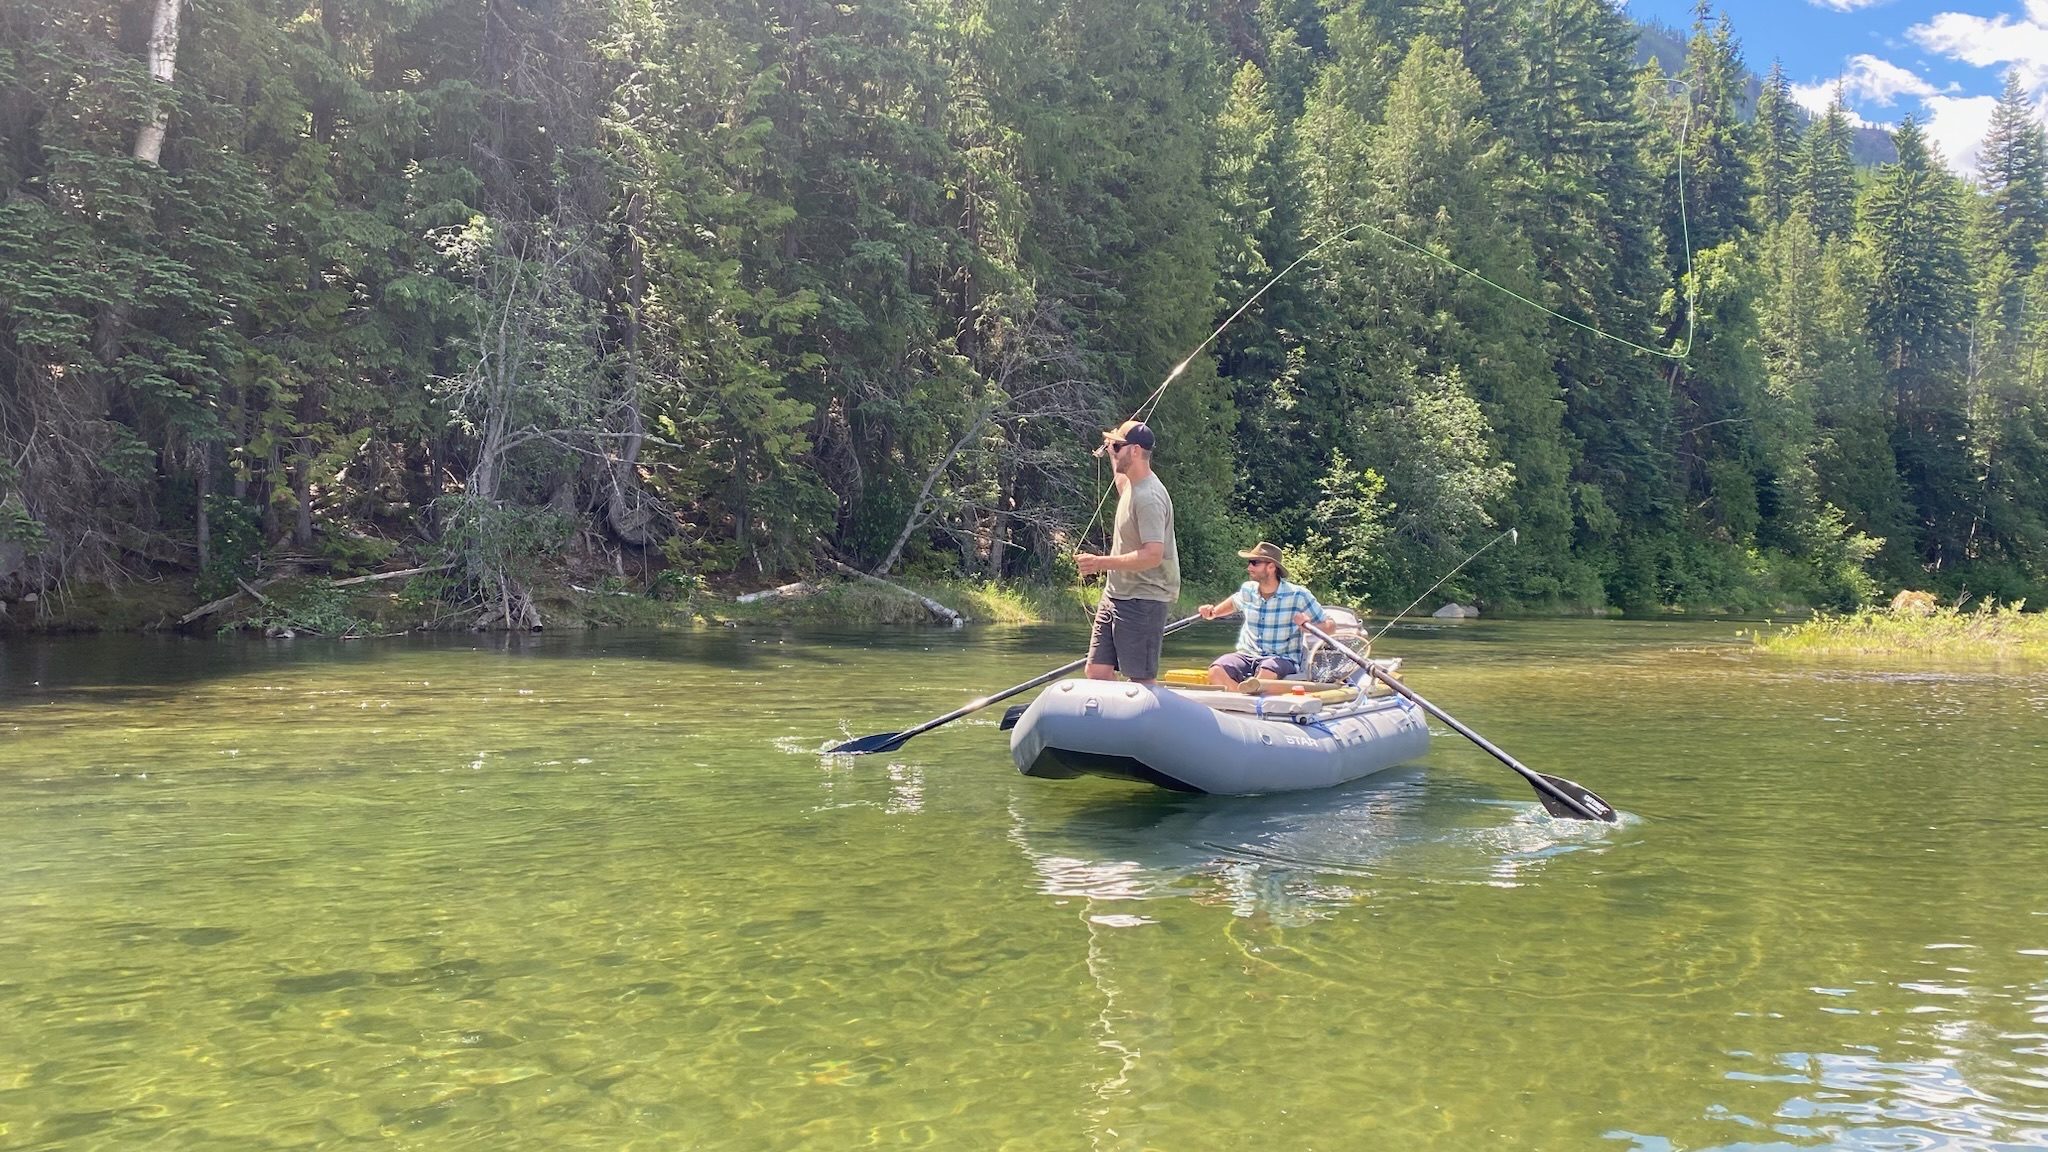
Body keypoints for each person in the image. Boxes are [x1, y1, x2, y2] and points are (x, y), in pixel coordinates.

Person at [1075, 419, 1179, 686]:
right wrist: (1112, 452)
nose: (1112, 448)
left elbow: (1153, 555)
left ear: (1134, 451)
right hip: (1116, 595)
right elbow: (1121, 483)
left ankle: (1145, 725)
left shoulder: (1150, 497)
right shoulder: (1132, 486)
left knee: (1141, 680)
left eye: (1118, 445)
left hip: (1143, 600)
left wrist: (1100, 562)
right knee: (1097, 671)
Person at [1197, 541, 1327, 691]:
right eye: (1249, 563)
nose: (1249, 567)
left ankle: (1249, 697)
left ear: (1271, 567)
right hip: (1247, 655)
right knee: (1216, 670)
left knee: (1267, 670)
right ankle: (1242, 699)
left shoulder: (1298, 595)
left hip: (1281, 659)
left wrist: (1309, 628)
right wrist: (1213, 613)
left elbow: (1330, 626)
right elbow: (1233, 603)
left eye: (1254, 563)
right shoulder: (1248, 589)